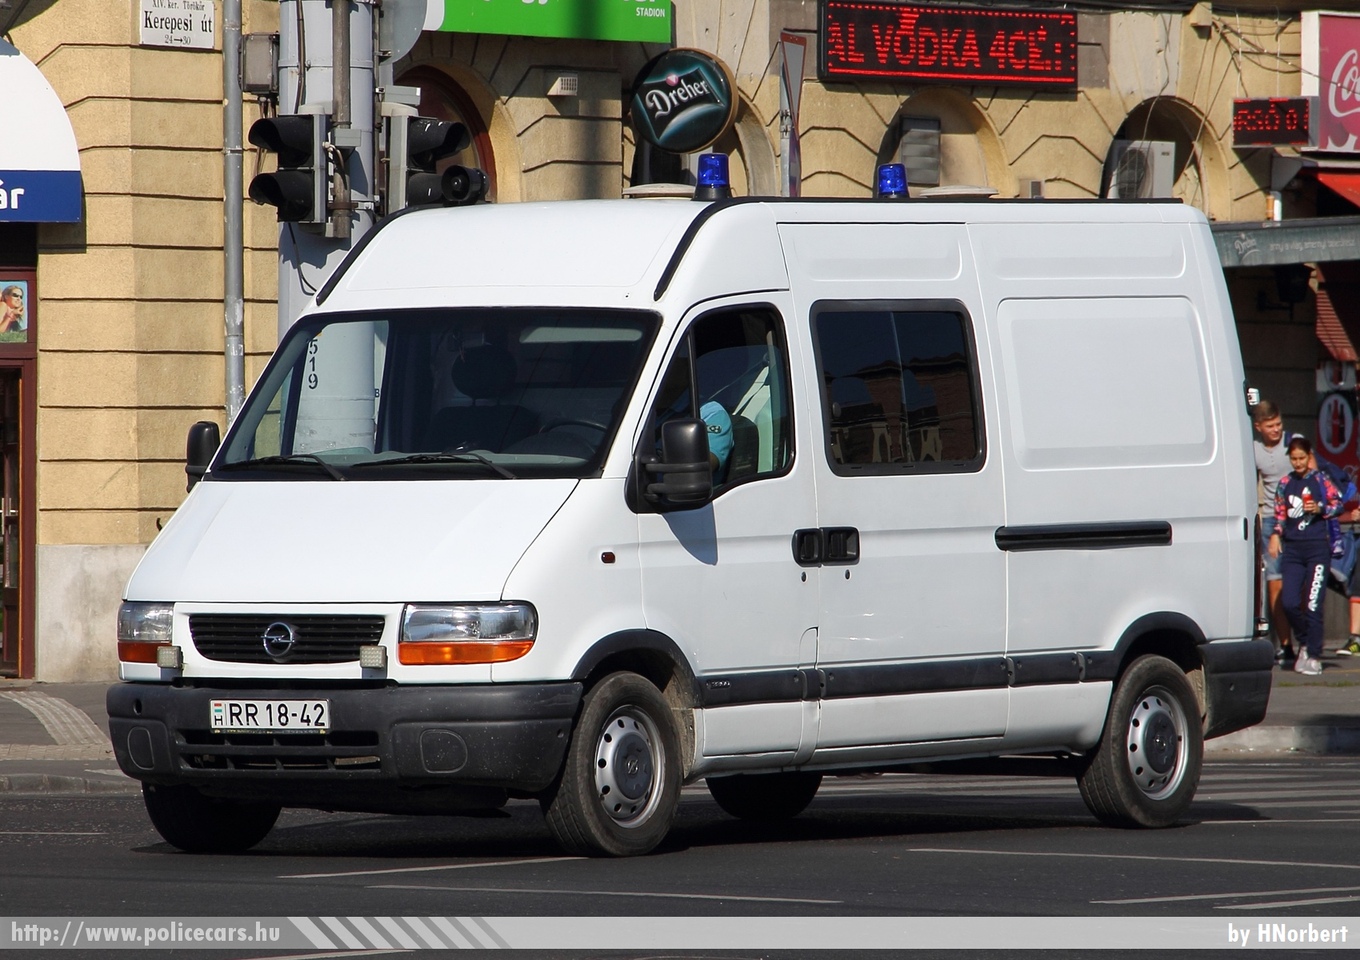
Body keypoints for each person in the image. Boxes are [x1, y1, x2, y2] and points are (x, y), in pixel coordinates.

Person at [1269, 436, 1344, 676]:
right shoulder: (1285, 483)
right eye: (1294, 459)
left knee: (1313, 604)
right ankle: (1304, 641)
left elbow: (1338, 504)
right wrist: (1275, 535)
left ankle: (1313, 654)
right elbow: (1280, 514)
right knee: (1289, 601)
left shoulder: (1320, 480)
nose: (1298, 463)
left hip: (1316, 549)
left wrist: (1320, 508)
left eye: (1302, 458)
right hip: (1293, 549)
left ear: (1309, 456)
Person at [1252, 401, 1296, 664]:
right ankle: (1286, 645)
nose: (1276, 430)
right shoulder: (1254, 450)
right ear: (1259, 427)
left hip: (1297, 519)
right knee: (1275, 582)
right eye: (1270, 426)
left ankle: (1306, 642)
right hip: (1270, 520)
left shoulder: (1293, 443)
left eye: (1278, 424)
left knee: (1299, 584)